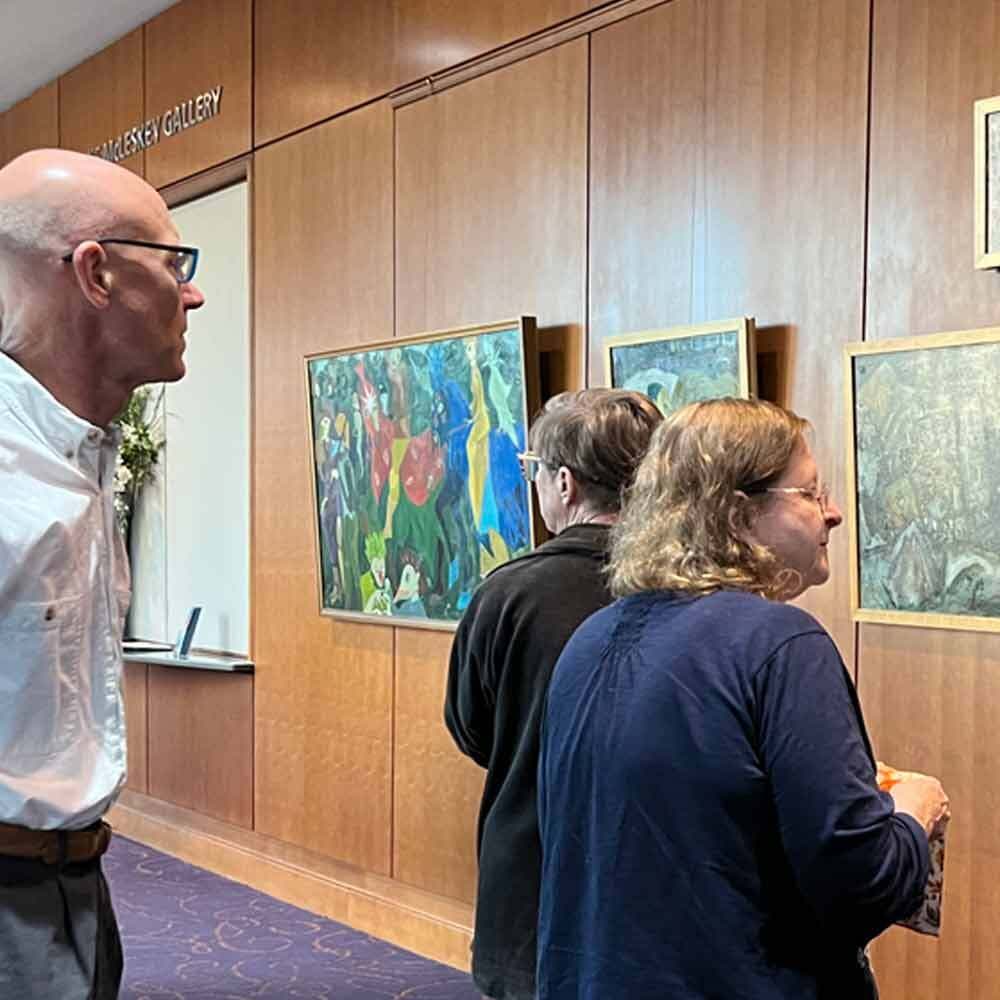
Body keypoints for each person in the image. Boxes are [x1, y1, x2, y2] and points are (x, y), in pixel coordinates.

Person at [536, 397, 950, 1000]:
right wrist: (914, 814)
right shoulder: (781, 645)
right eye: (810, 493)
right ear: (735, 511)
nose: (834, 513)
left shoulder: (592, 638)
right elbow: (858, 883)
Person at [0, 148, 205, 999]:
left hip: (75, 891)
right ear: (95, 274)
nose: (192, 293)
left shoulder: (78, 460)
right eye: (174, 264)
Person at [444, 388, 662, 1000]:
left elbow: (472, 728)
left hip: (531, 877)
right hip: (657, 885)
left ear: (564, 483)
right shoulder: (694, 590)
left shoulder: (509, 594)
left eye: (531, 469)